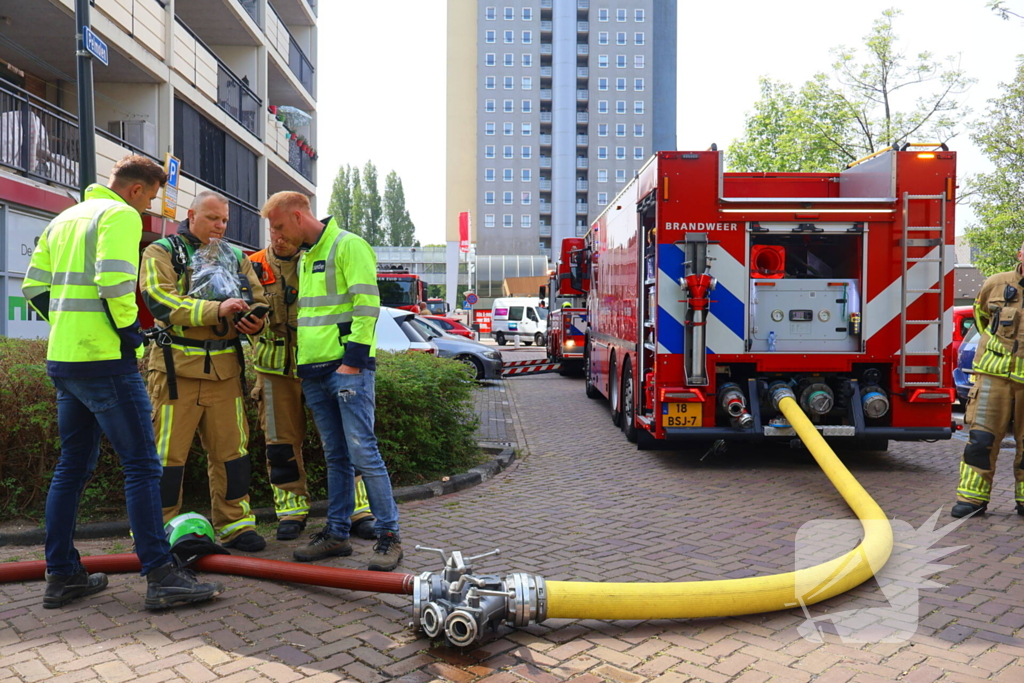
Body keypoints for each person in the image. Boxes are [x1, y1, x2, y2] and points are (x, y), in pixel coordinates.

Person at [22, 154, 223, 610]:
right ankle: (160, 574)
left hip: (65, 360)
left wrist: (68, 327)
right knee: (143, 466)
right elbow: (114, 283)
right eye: (151, 197)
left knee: (71, 467)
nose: (151, 207)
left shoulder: (65, 218)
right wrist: (130, 334)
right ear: (135, 190)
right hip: (106, 362)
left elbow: (32, 289)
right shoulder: (119, 215)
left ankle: (62, 574)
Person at [261, 191, 404, 571]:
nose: (275, 235)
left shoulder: (348, 245)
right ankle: (337, 534)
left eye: (277, 226)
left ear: (296, 216)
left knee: (363, 453)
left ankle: (389, 535)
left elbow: (366, 305)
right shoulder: (308, 256)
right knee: (337, 456)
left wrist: (353, 364)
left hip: (345, 370)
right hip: (315, 372)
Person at [140, 191, 270, 551]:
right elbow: (159, 300)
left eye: (225, 221)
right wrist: (216, 310)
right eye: (213, 219)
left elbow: (258, 298)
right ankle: (157, 530)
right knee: (166, 457)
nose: (220, 226)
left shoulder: (235, 256)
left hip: (225, 371)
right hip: (175, 373)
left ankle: (236, 523)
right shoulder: (162, 251)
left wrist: (255, 321)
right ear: (192, 214)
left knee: (233, 453)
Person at [248, 236, 377, 542]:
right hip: (274, 368)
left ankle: (358, 510)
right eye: (273, 228)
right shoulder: (252, 264)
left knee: (349, 440)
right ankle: (291, 511)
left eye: (284, 229)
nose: (279, 236)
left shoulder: (320, 260)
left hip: (323, 362)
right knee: (280, 443)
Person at [952, 240, 1024, 518]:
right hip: (993, 377)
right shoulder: (996, 284)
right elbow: (980, 318)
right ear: (1019, 254)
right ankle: (971, 499)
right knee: (981, 441)